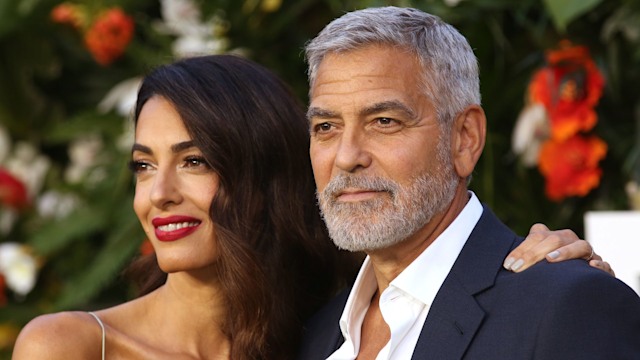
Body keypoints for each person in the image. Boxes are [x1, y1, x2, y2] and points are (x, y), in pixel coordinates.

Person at [11, 56, 609, 359]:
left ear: (264, 174)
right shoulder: (69, 346)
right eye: (143, 165)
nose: (159, 192)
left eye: (195, 161)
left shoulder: (321, 335)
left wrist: (556, 277)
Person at [298, 6, 640, 360]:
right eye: (326, 127)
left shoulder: (567, 307)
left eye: (384, 121)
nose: (346, 156)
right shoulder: (316, 333)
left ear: (465, 138)